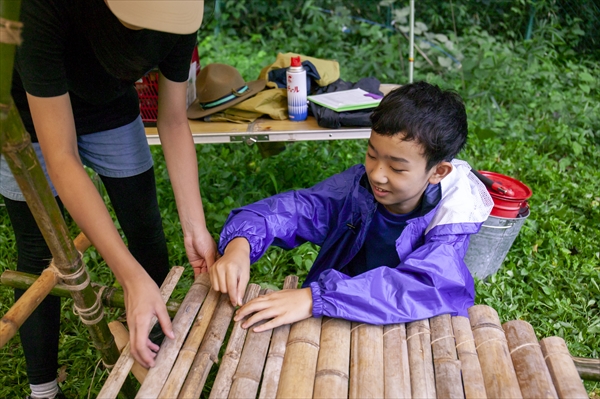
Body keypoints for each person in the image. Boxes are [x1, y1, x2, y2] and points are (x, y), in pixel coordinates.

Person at [0, 0, 214, 397]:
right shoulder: (39, 9)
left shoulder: (182, 15)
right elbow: (61, 156)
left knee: (146, 228)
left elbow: (172, 118)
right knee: (39, 248)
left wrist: (195, 226)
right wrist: (129, 277)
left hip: (110, 106)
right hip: (28, 111)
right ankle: (44, 391)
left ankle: (155, 356)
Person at [209, 81, 494, 332]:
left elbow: (424, 286)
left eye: (396, 168)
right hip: (338, 315)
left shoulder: (450, 220)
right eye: (372, 155)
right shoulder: (357, 190)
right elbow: (291, 210)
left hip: (409, 332)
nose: (377, 174)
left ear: (437, 172)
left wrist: (314, 298)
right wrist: (240, 245)